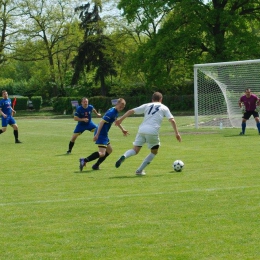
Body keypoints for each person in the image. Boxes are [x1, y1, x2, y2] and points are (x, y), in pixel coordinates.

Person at [115, 92, 181, 176]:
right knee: (154, 152)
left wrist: (120, 120)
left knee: (135, 150)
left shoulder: (147, 105)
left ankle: (124, 156)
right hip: (152, 131)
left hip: (142, 130)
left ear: (152, 99)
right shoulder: (164, 107)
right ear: (161, 99)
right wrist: (177, 133)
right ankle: (139, 170)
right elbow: (172, 120)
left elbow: (131, 111)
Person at [79, 98, 129, 171]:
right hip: (101, 133)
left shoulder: (115, 111)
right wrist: (97, 134)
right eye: (120, 106)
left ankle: (96, 165)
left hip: (104, 133)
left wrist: (123, 129)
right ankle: (84, 160)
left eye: (122, 107)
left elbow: (116, 121)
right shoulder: (111, 112)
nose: (121, 108)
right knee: (102, 153)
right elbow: (102, 122)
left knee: (109, 150)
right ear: (117, 104)